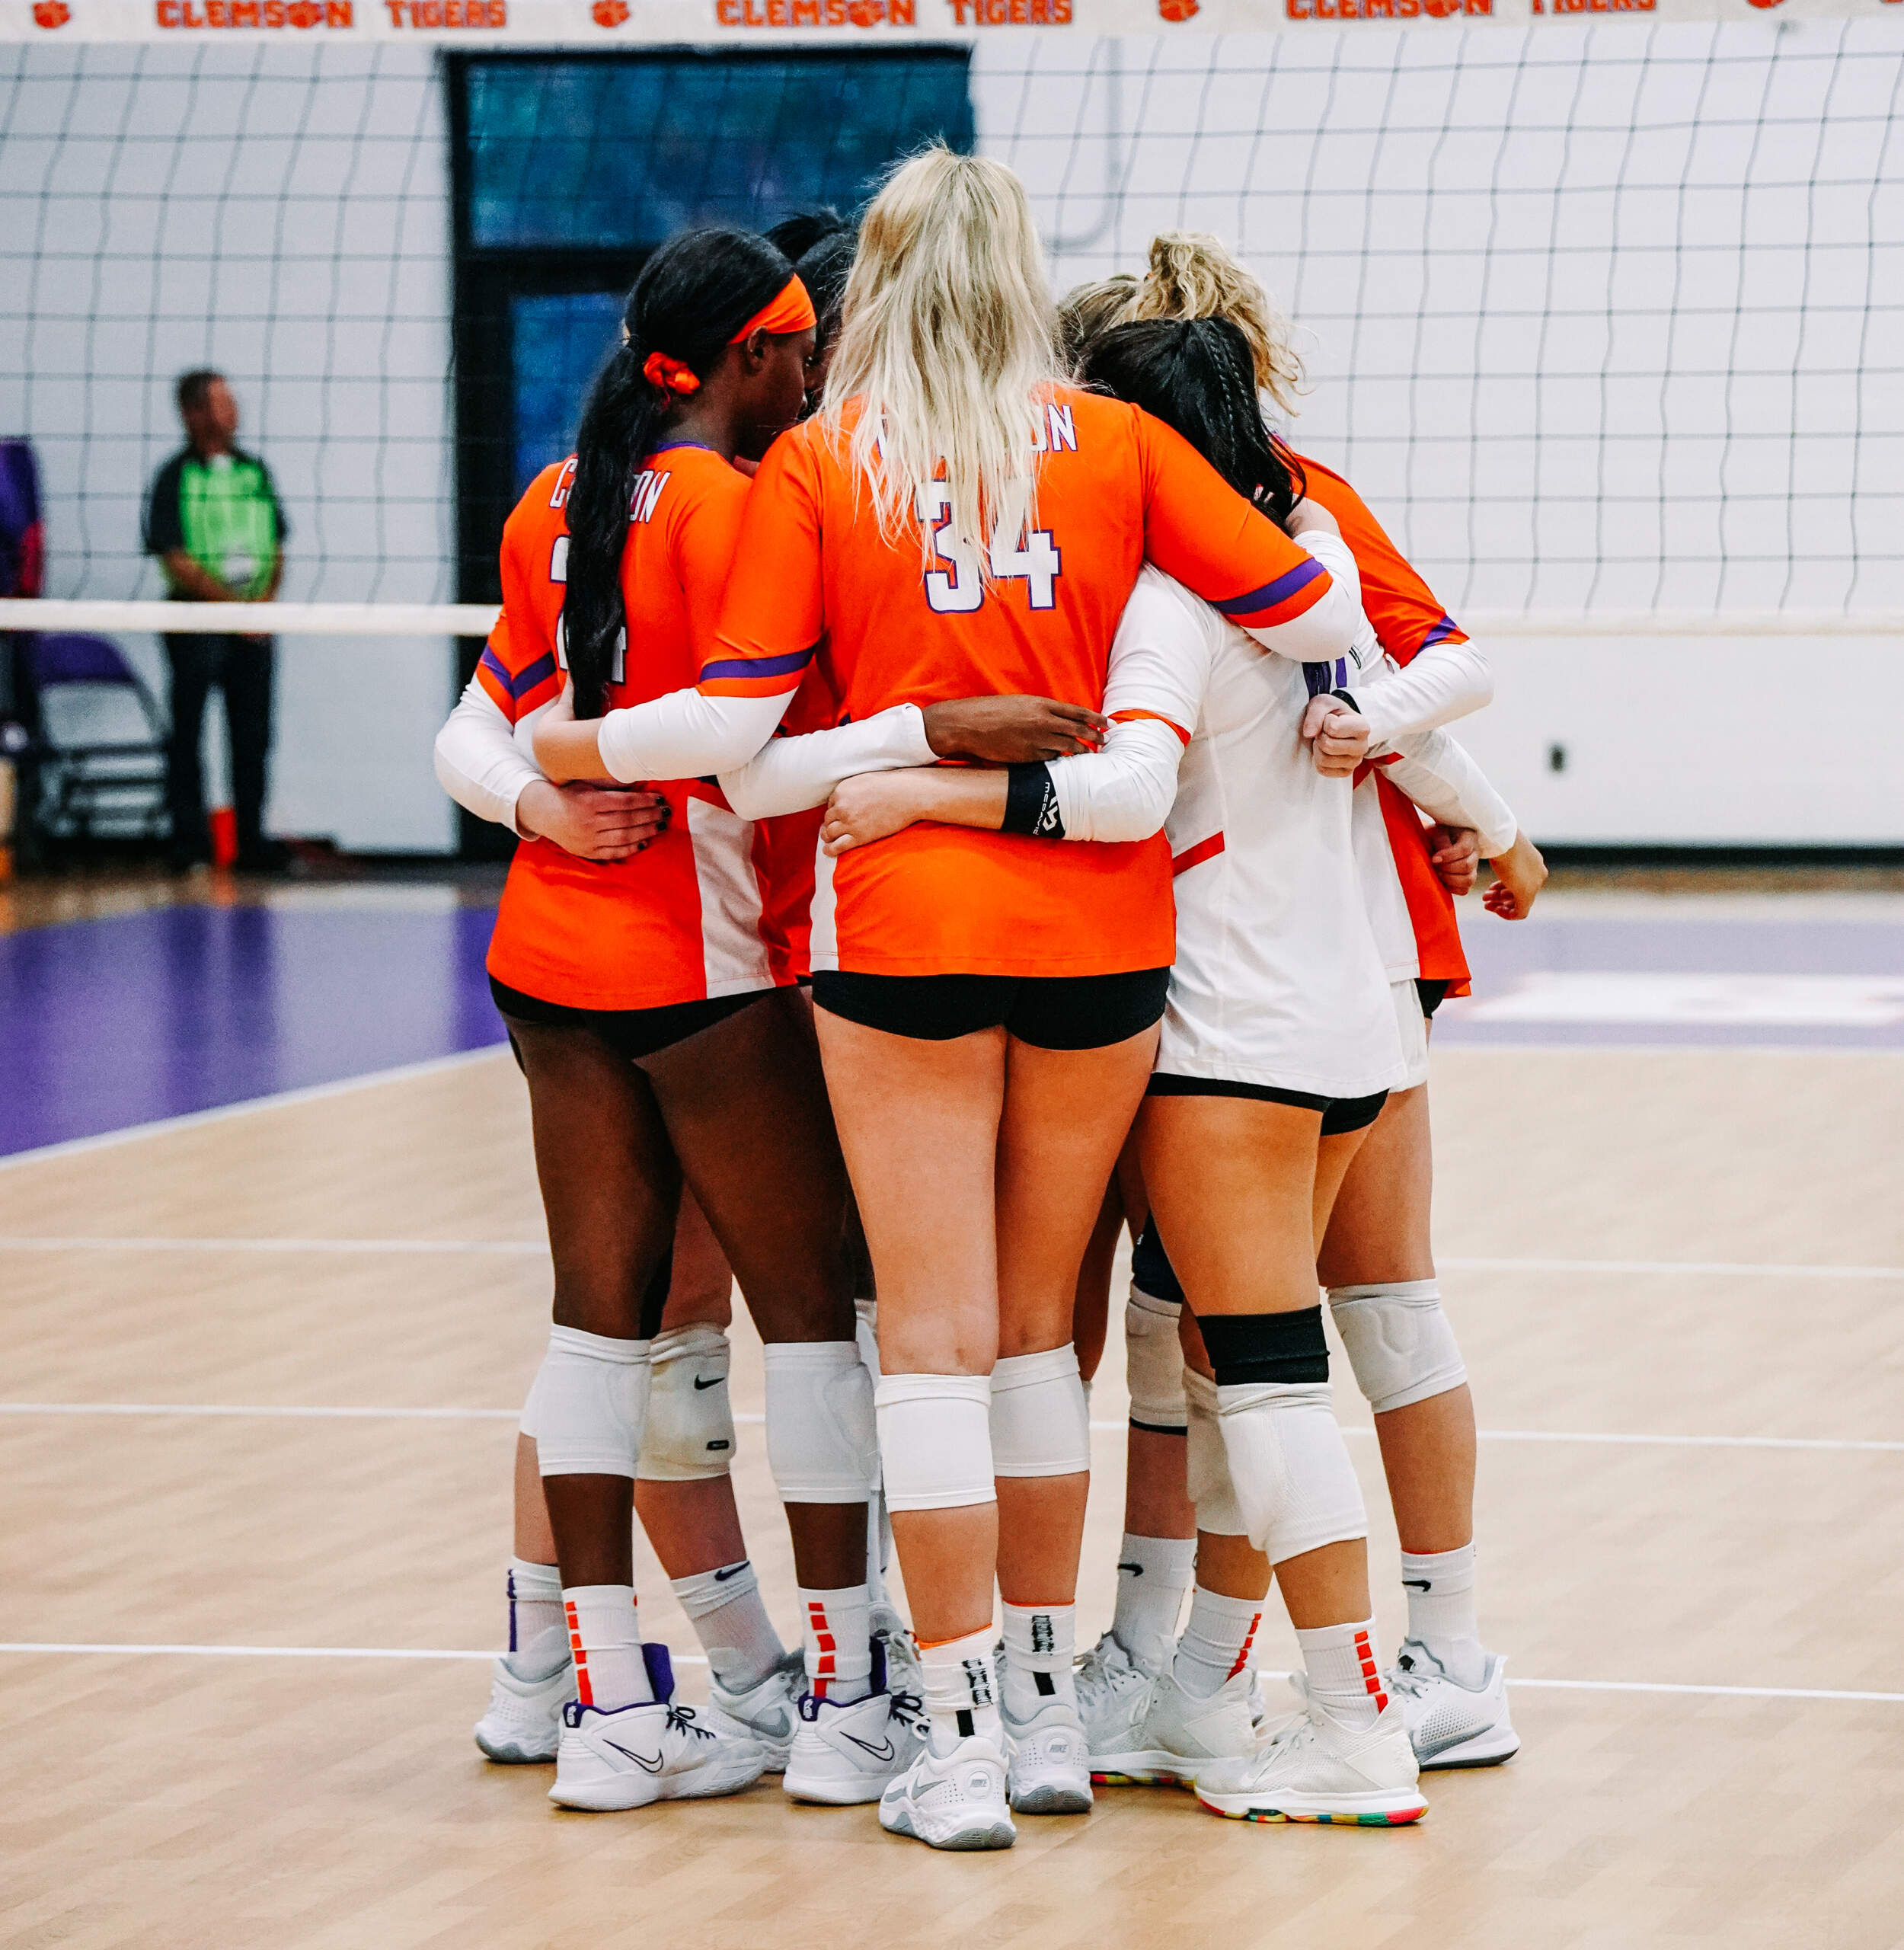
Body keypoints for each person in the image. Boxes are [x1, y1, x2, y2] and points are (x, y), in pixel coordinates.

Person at [535, 148, 1362, 1849]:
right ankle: (1047, 1721)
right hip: (1099, 938)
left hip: (902, 931)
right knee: (1035, 1329)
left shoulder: (821, 460)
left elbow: (743, 760)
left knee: (926, 1336)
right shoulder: (1120, 446)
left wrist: (576, 750)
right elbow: (1311, 606)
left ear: (879, 286)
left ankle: (959, 1738)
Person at [436, 221, 1091, 1815]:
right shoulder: (752, 501)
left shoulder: (555, 495)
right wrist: (937, 722)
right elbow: (744, 741)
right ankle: (846, 1694)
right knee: (811, 1322)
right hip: (704, 959)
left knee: (602, 1328)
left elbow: (478, 728)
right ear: (754, 354)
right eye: (802, 346)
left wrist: (540, 794)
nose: (817, 371)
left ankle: (598, 1696)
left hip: (548, 954)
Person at [815, 315, 1439, 1827]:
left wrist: (926, 790)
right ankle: (1205, 1684)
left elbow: (1128, 790)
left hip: (1235, 1041)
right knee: (1233, 1384)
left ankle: (1355, 1721)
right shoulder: (1313, 566)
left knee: (1265, 1393)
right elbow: (1441, 691)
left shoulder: (1169, 605)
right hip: (1352, 1023)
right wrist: (1492, 823)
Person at [1059, 235, 1545, 1779]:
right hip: (1309, 975)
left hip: (1286, 977)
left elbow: (1428, 677)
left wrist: (1462, 804)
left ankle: (1395, 1675)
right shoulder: (1272, 541)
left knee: (1297, 1338)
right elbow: (1392, 692)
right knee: (1207, 1339)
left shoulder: (1264, 533)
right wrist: (1483, 817)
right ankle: (1187, 1661)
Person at [142, 369, 289, 873]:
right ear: (193, 413)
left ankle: (252, 843)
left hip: (254, 622)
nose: (232, 411)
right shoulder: (173, 477)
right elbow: (173, 555)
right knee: (187, 733)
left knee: (253, 735)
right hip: (195, 620)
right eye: (221, 402)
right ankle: (190, 844)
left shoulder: (254, 471)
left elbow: (278, 545)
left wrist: (262, 604)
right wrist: (230, 606)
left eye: (232, 401)